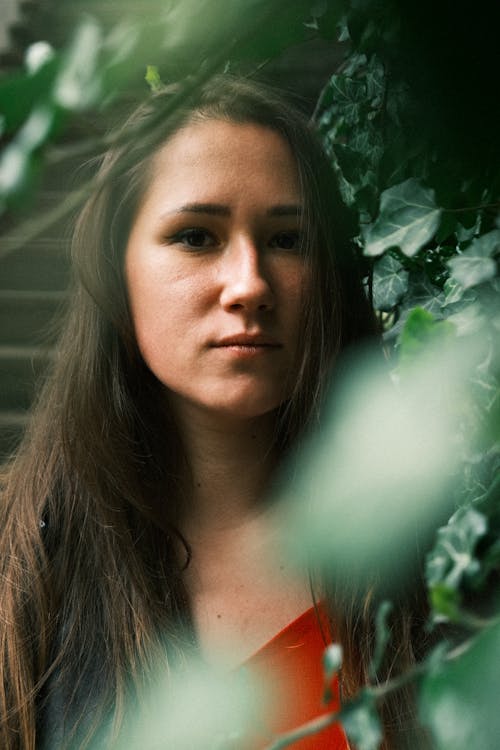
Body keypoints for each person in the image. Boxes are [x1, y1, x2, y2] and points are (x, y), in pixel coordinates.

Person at [0, 75, 426, 749]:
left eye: (287, 240)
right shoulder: (16, 558)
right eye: (197, 236)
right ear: (116, 273)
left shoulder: (425, 555)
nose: (250, 283)